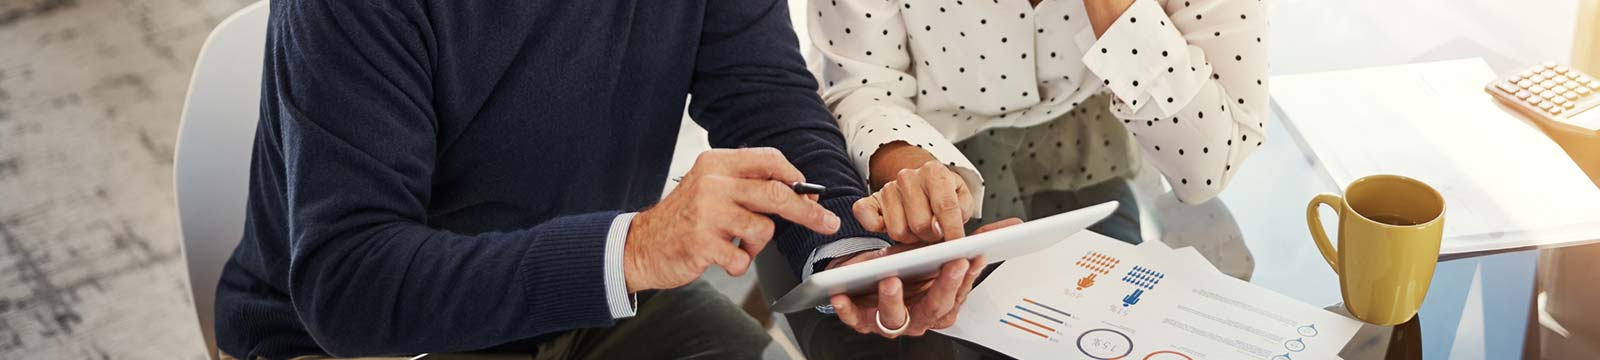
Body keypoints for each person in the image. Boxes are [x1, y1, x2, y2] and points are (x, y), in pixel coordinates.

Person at [214, 0, 1011, 358]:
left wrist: (859, 249)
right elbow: (349, 290)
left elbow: (767, 102)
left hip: (593, 302)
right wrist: (635, 248)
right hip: (378, 343)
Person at [796, 0, 1269, 357]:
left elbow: (1207, 166)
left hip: (1091, 153)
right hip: (915, 160)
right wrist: (908, 165)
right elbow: (862, 84)